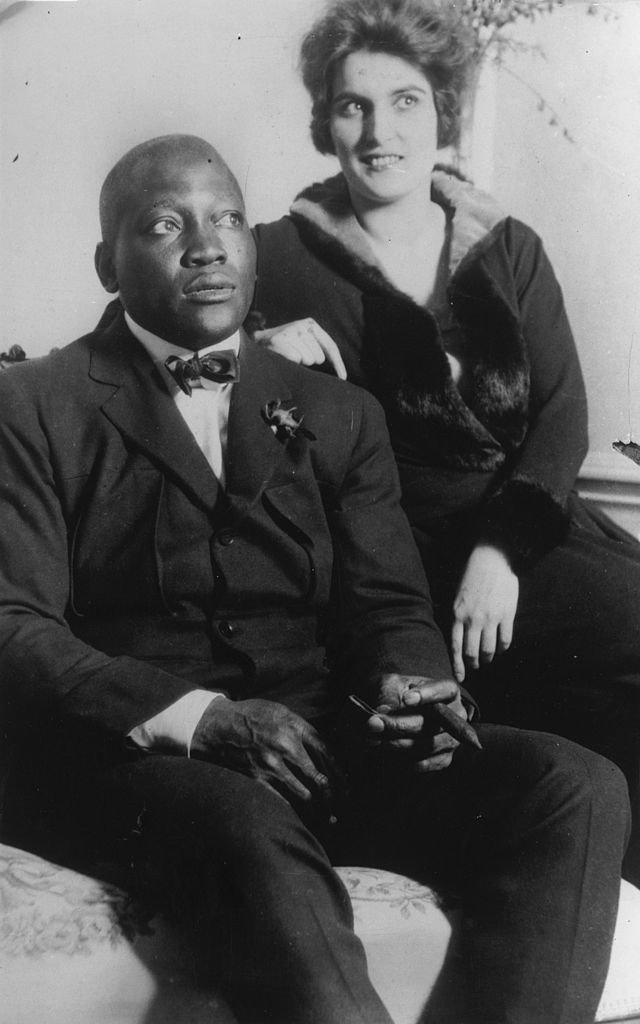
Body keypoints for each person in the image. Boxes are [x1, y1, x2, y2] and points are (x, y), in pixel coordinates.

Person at [0, 133, 629, 1024]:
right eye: (165, 225)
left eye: (225, 220)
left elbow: (390, 609)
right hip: (133, 766)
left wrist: (416, 685)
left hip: (323, 749)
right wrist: (204, 723)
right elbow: (13, 626)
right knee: (242, 819)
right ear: (108, 264)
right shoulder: (31, 404)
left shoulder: (340, 412)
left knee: (575, 783)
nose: (207, 245)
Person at [251, 0, 640, 885]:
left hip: (524, 531)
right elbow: (148, 330)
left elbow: (564, 412)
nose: (379, 130)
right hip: (390, 553)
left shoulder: (507, 247)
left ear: (441, 115)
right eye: (354, 106)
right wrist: (252, 350)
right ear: (327, 122)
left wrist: (502, 551)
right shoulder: (278, 253)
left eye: (405, 102)